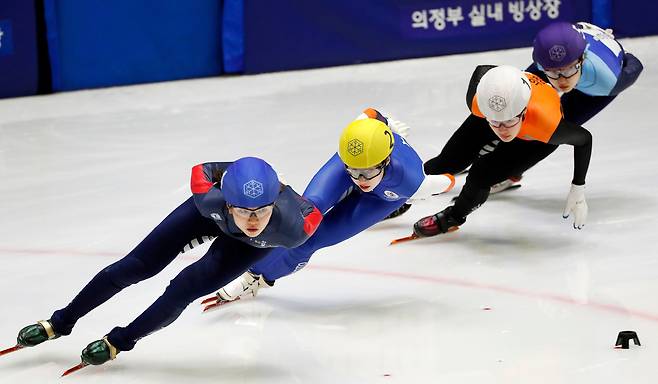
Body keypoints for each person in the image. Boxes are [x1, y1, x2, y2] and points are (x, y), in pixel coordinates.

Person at [10, 157, 322, 369]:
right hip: (209, 218)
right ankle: (60, 322)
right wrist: (237, 174)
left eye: (262, 211)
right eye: (243, 210)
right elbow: (204, 169)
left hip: (245, 247)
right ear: (226, 200)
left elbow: (314, 213)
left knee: (183, 289)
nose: (252, 220)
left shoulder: (294, 227)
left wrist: (281, 191)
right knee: (136, 266)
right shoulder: (207, 196)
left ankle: (120, 341)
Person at [201, 109, 455, 308]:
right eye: (354, 172)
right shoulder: (355, 154)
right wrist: (382, 121)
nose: (360, 180)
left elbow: (450, 182)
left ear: (387, 160)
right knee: (304, 218)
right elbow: (371, 113)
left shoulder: (411, 182)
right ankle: (252, 264)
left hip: (382, 199)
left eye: (368, 173)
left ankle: (254, 280)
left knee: (313, 240)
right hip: (363, 159)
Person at [415, 65, 593, 238]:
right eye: (495, 122)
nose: (502, 130)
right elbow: (481, 70)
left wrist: (578, 187)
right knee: (450, 161)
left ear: (523, 112)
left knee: (480, 175)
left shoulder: (548, 125)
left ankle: (453, 216)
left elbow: (585, 140)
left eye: (508, 122)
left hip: (533, 138)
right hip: (495, 115)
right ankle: (406, 191)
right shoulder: (479, 102)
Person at [491, 21, 643, 192]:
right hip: (577, 57)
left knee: (551, 132)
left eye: (569, 69)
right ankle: (487, 155)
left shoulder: (608, 80)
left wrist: (625, 54)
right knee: (513, 103)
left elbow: (636, 66)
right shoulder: (546, 59)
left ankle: (510, 174)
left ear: (582, 58)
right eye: (555, 72)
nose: (562, 80)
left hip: (593, 89)